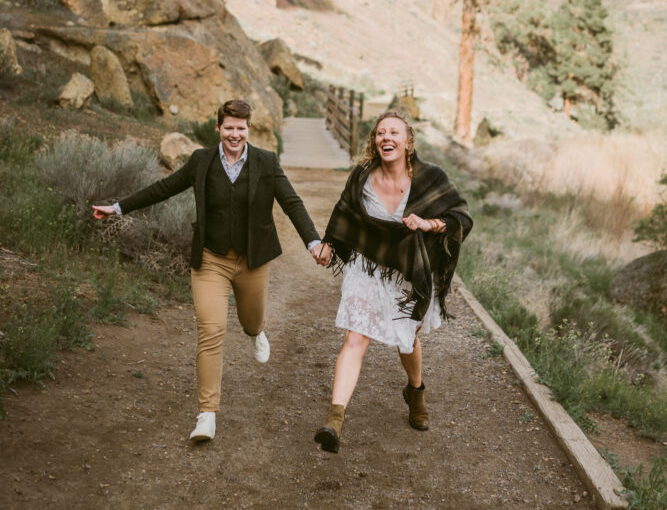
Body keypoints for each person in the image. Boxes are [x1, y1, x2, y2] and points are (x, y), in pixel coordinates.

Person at [93, 98, 324, 443]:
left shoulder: (265, 161)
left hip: (252, 260)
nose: (234, 134)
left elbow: (291, 203)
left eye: (240, 128)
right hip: (211, 260)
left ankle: (256, 330)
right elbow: (164, 188)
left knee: (251, 320)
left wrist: (313, 243)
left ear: (249, 129)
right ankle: (207, 415)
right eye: (228, 128)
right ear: (218, 129)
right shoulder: (201, 161)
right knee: (211, 330)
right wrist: (118, 207)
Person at [313, 111, 473, 453]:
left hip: (408, 268)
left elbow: (460, 217)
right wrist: (329, 244)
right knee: (356, 336)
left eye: (394, 133)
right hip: (365, 265)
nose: (387, 138)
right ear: (375, 141)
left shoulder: (431, 177)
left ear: (408, 142)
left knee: (406, 340)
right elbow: (344, 213)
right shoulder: (362, 176)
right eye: (381, 133)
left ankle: (415, 391)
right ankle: (334, 420)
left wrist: (429, 224)